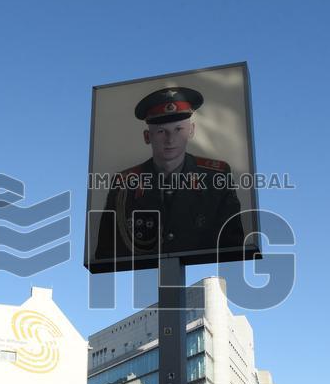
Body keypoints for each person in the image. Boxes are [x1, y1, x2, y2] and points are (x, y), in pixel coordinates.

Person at [92, 86, 246, 269]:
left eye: (178, 129)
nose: (170, 139)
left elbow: (233, 244)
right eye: (161, 131)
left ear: (191, 131)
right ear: (147, 136)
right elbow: (106, 252)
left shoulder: (216, 176)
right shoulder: (124, 183)